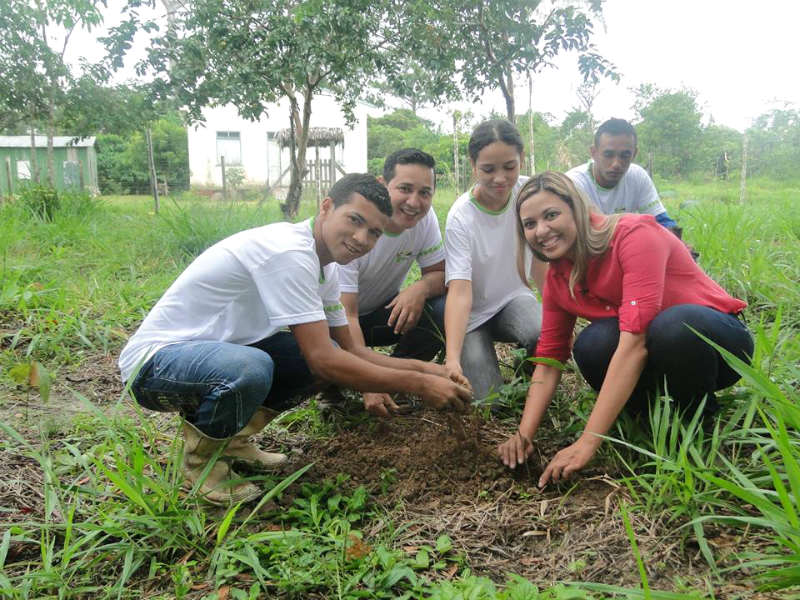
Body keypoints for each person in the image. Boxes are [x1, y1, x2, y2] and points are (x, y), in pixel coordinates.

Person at [119, 174, 472, 505]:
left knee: (305, 361)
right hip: (156, 364)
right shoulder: (288, 253)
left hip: (217, 354)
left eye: (375, 233)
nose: (362, 239)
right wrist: (419, 385)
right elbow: (325, 360)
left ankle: (232, 441)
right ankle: (200, 464)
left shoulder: (326, 268)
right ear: (326, 206)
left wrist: (432, 371)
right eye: (354, 220)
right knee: (255, 367)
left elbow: (352, 350)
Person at [497, 172, 753, 486]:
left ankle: (696, 421)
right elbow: (548, 363)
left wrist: (587, 442)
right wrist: (524, 435)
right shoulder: (559, 278)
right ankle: (645, 420)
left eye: (551, 215)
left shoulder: (633, 235)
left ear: (576, 209)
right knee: (592, 344)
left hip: (716, 341)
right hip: (656, 347)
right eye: (530, 224)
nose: (542, 230)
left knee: (672, 327)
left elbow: (635, 342)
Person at [339, 149, 446, 418]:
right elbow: (346, 314)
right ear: (382, 185)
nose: (414, 202)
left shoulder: (425, 220)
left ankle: (396, 383)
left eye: (425, 193)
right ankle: (337, 391)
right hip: (334, 322)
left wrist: (419, 288)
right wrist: (368, 381)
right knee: (318, 350)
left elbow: (441, 273)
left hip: (377, 316)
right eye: (405, 189)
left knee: (441, 310)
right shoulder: (357, 228)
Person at [444, 119, 544, 403]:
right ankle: (473, 357)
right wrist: (452, 359)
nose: (500, 178)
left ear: (521, 159)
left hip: (514, 301)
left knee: (543, 330)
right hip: (473, 317)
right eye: (488, 169)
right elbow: (460, 291)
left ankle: (529, 378)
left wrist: (557, 319)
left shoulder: (529, 194)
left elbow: (541, 262)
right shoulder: (461, 217)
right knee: (490, 404)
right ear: (473, 165)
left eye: (509, 167)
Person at [566, 118, 679, 230]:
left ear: (634, 154)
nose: (616, 164)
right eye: (608, 154)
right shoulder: (573, 183)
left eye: (624, 156)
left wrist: (679, 244)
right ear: (594, 153)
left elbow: (661, 221)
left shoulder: (637, 176)